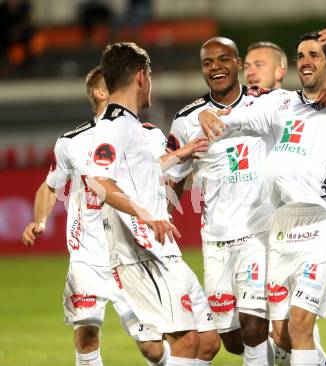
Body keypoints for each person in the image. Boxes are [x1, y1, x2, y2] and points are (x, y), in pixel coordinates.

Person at [198, 28, 326, 366]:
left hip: (322, 223)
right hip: (282, 225)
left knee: (301, 326)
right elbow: (237, 119)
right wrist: (211, 115)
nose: (305, 62)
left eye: (314, 55)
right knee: (283, 334)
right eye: (301, 55)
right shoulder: (281, 103)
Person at [22, 65, 219, 366]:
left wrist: (180, 157)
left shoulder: (149, 135)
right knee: (87, 332)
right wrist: (40, 221)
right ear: (102, 92)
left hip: (133, 251)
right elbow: (49, 188)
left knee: (153, 348)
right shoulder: (71, 142)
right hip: (89, 256)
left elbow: (155, 172)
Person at [166, 37, 326, 366]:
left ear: (237, 63)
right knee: (232, 339)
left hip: (260, 232)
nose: (216, 67)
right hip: (215, 238)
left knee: (254, 326)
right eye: (207, 63)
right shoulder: (187, 119)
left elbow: (314, 103)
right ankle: (311, 360)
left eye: (224, 60)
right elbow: (175, 175)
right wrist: (163, 216)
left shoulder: (270, 103)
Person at [88, 42, 220, 366]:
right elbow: (98, 182)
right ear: (140, 77)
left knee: (207, 341)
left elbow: (140, 172)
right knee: (186, 341)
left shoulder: (132, 125)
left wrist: (180, 154)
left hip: (160, 247)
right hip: (139, 251)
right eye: (151, 76)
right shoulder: (111, 126)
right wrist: (146, 216)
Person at [243, 41, 326, 366]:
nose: (251, 70)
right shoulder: (247, 108)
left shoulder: (298, 104)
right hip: (258, 230)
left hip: (297, 227)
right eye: (247, 65)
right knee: (278, 334)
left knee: (294, 327)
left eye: (260, 64)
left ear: (281, 71)